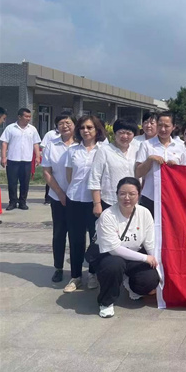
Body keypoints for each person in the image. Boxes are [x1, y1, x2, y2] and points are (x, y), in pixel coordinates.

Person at [95, 177, 159, 318]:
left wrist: (157, 264)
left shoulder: (144, 213)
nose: (127, 198)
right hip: (112, 256)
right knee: (114, 266)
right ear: (116, 194)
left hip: (135, 254)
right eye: (122, 193)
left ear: (139, 195)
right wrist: (145, 258)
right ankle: (106, 302)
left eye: (132, 194)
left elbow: (150, 243)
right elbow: (114, 249)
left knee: (150, 279)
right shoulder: (108, 215)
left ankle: (130, 285)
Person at [63, 115, 106, 292]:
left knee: (96, 239)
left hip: (95, 201)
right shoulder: (73, 150)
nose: (85, 131)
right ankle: (76, 276)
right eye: (82, 127)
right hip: (75, 199)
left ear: (97, 130)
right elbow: (69, 175)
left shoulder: (104, 150)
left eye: (89, 127)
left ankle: (93, 274)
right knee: (75, 239)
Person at [42, 113, 76, 283]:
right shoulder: (51, 145)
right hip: (57, 196)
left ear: (74, 125)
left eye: (68, 122)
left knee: (77, 235)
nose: (65, 126)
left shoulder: (82, 144)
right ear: (57, 127)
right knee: (59, 234)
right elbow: (47, 172)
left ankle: (77, 271)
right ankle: (58, 268)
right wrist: (60, 193)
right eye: (61, 123)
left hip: (79, 198)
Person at [136, 111, 184, 217]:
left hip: (172, 197)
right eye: (160, 125)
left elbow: (185, 175)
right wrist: (150, 160)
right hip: (150, 196)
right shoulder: (146, 145)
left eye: (166, 126)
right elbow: (138, 173)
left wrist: (176, 168)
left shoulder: (180, 147)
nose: (163, 129)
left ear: (173, 127)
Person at [88, 118, 139, 217]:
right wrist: (97, 204)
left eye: (129, 133)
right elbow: (95, 178)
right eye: (121, 132)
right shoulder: (104, 150)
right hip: (109, 201)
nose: (125, 136)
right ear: (115, 133)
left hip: (132, 201)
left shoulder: (137, 150)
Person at [0, 108, 42, 210]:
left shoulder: (32, 129)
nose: (28, 118)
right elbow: (4, 143)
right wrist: (3, 157)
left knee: (25, 183)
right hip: (13, 160)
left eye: (29, 116)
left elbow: (36, 143)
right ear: (19, 117)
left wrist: (37, 157)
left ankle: (22, 202)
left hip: (26, 160)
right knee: (12, 182)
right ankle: (12, 202)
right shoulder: (10, 128)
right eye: (26, 116)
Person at [41, 127, 61, 204]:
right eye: (61, 123)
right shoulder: (50, 134)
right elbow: (43, 146)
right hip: (53, 161)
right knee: (50, 179)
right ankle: (48, 198)